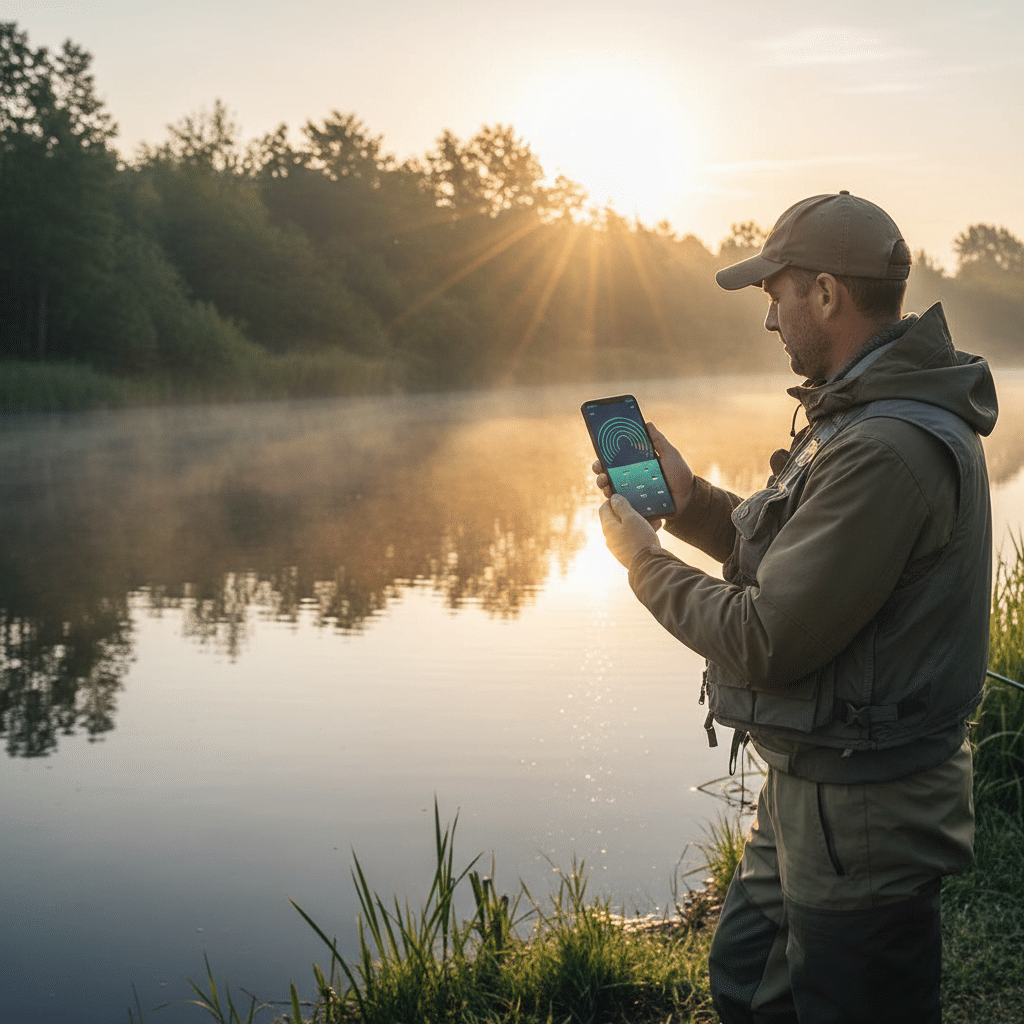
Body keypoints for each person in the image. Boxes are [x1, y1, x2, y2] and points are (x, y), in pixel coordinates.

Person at [593, 191, 998, 1024]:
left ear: (825, 293)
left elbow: (767, 636)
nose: (770, 319)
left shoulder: (885, 448)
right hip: (814, 784)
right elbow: (798, 564)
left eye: (775, 294)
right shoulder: (858, 416)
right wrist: (690, 502)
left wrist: (643, 560)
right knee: (746, 981)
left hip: (867, 813)